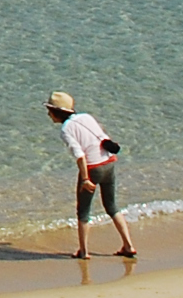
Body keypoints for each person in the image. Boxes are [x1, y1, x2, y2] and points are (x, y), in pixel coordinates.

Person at [46, 91, 138, 260]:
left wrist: (85, 178)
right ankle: (128, 245)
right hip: (109, 163)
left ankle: (84, 251)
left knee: (83, 211)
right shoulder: (87, 117)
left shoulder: (66, 129)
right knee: (111, 206)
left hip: (92, 168)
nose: (48, 114)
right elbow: (103, 138)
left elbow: (79, 155)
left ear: (56, 112)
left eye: (49, 111)